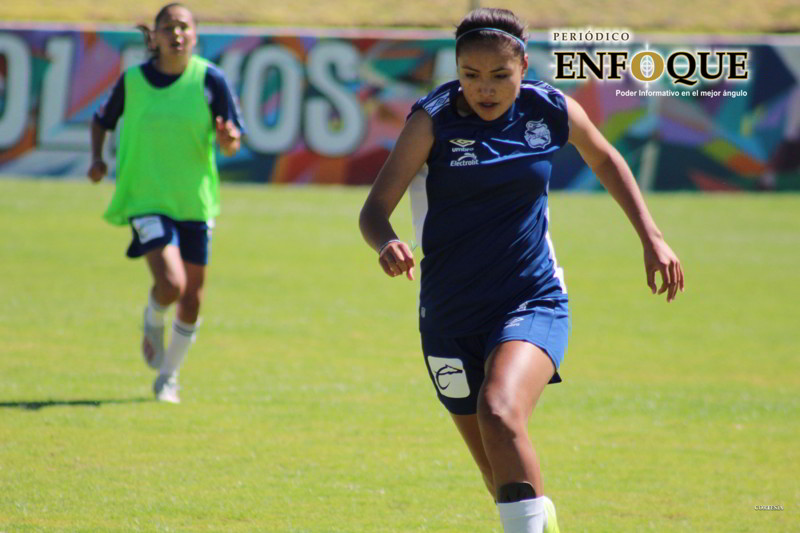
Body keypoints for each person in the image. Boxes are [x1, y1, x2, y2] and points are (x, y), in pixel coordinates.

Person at [359, 8, 684, 533]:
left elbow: (605, 159)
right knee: (497, 471)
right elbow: (374, 210)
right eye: (470, 75)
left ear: (524, 67)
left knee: (500, 412)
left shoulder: (550, 109)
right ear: (456, 69)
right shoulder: (433, 120)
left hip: (531, 298)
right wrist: (388, 242)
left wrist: (653, 237)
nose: (484, 89)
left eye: (499, 76)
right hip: (448, 311)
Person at [87, 3, 244, 403]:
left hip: (195, 202)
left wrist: (228, 140)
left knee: (192, 296)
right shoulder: (133, 80)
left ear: (194, 35)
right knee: (171, 284)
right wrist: (97, 159)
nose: (177, 34)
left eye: (184, 27)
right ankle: (153, 316)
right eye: (168, 27)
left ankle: (168, 377)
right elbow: (101, 119)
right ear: (154, 36)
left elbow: (231, 142)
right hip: (146, 198)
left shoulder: (210, 79)